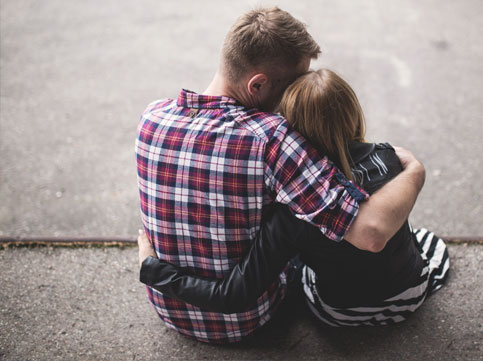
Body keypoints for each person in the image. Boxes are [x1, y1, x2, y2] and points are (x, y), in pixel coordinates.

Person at [135, 6, 425, 343]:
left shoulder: (151, 116)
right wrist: (415, 172)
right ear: (257, 84)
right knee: (306, 230)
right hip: (247, 321)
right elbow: (368, 232)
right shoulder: (271, 138)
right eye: (290, 86)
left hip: (168, 308)